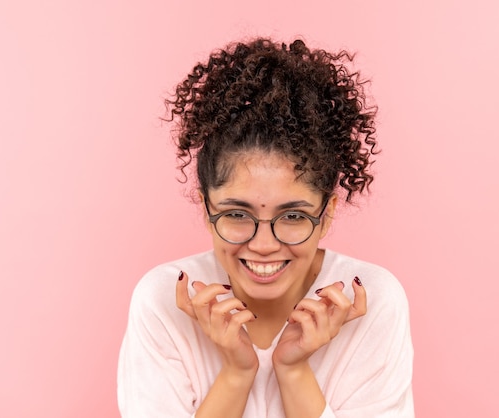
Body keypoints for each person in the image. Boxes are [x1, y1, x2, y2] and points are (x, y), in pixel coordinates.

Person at [118, 37, 414, 418]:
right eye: (237, 214)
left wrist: (292, 371)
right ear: (207, 207)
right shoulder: (162, 301)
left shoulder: (372, 302)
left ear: (326, 216)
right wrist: (237, 374)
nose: (262, 245)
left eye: (293, 217)